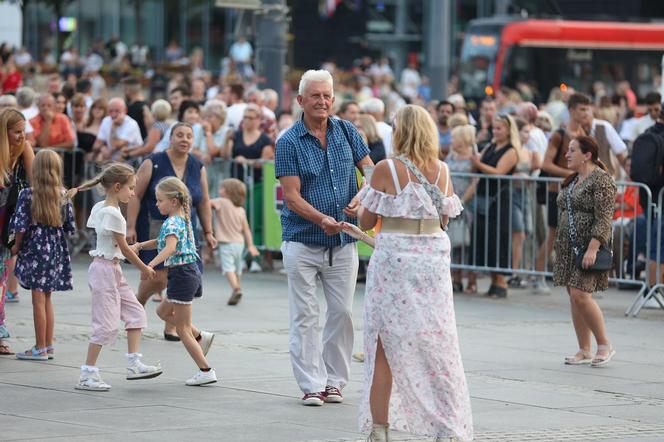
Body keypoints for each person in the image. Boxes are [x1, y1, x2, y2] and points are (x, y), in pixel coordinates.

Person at [355, 104, 472, 442]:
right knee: (438, 341)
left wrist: (365, 202)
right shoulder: (443, 170)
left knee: (384, 344)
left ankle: (379, 429)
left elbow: (366, 221)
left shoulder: (385, 169)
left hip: (395, 259)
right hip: (433, 257)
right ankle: (447, 426)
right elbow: (445, 219)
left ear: (400, 132)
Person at [275, 69, 372, 406]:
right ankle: (311, 383)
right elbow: (291, 196)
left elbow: (370, 169)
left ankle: (334, 381)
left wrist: (365, 194)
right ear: (300, 100)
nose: (322, 101)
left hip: (343, 242)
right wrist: (321, 219)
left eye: (327, 95)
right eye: (315, 96)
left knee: (342, 313)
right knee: (305, 314)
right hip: (302, 240)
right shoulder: (288, 141)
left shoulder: (347, 131)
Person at [72, 163, 162, 391]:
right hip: (105, 271)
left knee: (135, 312)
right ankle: (87, 374)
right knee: (106, 325)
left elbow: (114, 244)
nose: (133, 193)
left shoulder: (101, 207)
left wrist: (135, 247)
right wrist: (144, 267)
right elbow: (122, 246)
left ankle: (133, 362)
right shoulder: (114, 214)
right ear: (117, 186)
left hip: (111, 268)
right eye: (131, 188)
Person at [126, 123, 217, 340]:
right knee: (155, 279)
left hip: (186, 229)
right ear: (170, 138)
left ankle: (172, 326)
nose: (184, 139)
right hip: (155, 223)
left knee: (181, 277)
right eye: (179, 135)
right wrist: (130, 226)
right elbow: (135, 195)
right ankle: (138, 307)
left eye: (189, 136)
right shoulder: (153, 162)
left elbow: (203, 200)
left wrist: (209, 231)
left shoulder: (197, 166)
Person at [132, 177, 217, 386]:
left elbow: (169, 248)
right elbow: (163, 241)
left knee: (182, 330)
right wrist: (141, 245)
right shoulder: (182, 220)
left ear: (174, 201)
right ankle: (201, 336)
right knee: (162, 312)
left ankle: (206, 370)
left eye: (160, 200)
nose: (157, 204)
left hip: (182, 275)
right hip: (188, 273)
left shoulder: (172, 221)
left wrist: (149, 265)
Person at [554, 135, 616, 367]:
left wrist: (593, 248)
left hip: (588, 247)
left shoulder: (601, 180)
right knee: (574, 296)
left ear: (587, 155)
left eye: (572, 150)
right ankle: (584, 349)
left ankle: (603, 344)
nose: (567, 154)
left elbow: (603, 218)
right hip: (568, 248)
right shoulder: (573, 180)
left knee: (581, 294)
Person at [11, 150, 74, 360]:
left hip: (35, 249)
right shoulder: (63, 194)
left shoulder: (28, 194)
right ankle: (48, 345)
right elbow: (69, 225)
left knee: (37, 299)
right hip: (55, 249)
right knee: (47, 298)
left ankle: (39, 347)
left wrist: (16, 247)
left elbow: (20, 226)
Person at [471, 114, 520, 298]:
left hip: (499, 199)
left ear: (508, 130)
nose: (496, 131)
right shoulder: (490, 146)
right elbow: (477, 166)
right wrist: (475, 162)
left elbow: (499, 172)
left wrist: (478, 163)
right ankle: (493, 280)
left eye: (500, 128)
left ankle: (500, 282)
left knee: (498, 239)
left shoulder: (511, 150)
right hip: (485, 197)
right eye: (494, 128)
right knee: (485, 239)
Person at [0, 109, 35, 354]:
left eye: (24, 130)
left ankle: (0, 334)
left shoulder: (24, 150)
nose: (22, 136)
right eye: (17, 131)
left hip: (6, 225)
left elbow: (35, 182)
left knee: (1, 279)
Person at [225, 103, 274, 248]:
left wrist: (246, 162)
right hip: (236, 184)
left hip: (257, 183)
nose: (247, 120)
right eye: (245, 117)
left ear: (259, 120)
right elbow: (227, 155)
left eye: (251, 118)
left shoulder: (264, 139)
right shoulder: (237, 135)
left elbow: (264, 161)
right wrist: (226, 140)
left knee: (255, 219)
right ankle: (240, 253)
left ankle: (255, 255)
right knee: (236, 220)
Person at [210, 178, 259, 305]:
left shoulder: (221, 201)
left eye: (222, 188)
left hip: (226, 243)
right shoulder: (241, 210)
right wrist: (251, 245)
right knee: (237, 268)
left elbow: (207, 203)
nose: (219, 190)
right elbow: (246, 229)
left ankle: (236, 289)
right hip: (240, 243)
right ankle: (238, 288)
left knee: (228, 268)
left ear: (228, 192)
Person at [447, 124, 478, 294]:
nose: (452, 140)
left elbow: (475, 181)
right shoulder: (451, 155)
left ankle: (471, 279)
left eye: (454, 137)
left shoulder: (474, 157)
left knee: (468, 243)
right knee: (454, 241)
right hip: (452, 202)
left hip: (467, 204)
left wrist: (463, 200)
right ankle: (456, 278)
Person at [92, 98, 142, 164]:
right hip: (112, 160)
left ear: (125, 111)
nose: (113, 114)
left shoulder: (131, 124)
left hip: (130, 161)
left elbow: (116, 145)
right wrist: (102, 148)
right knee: (99, 157)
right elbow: (96, 145)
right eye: (110, 111)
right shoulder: (106, 120)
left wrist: (113, 127)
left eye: (117, 111)